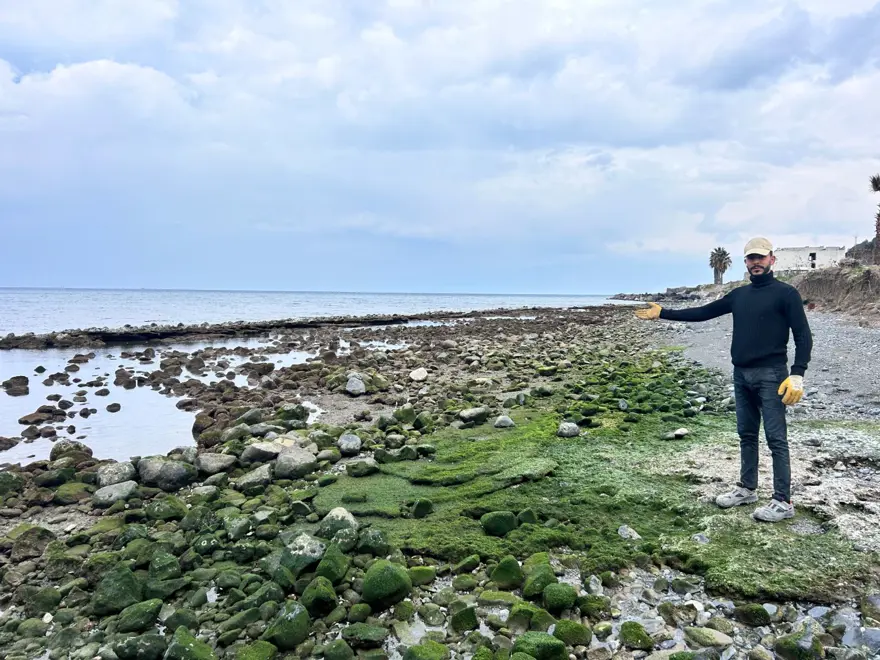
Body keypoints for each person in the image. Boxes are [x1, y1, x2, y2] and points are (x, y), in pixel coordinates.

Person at [634, 237, 813, 522]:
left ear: (772, 260)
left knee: (776, 438)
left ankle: (783, 501)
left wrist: (797, 374)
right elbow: (704, 312)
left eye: (761, 257)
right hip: (741, 374)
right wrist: (663, 313)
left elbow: (803, 336)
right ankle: (747, 488)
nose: (756, 262)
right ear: (745, 262)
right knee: (746, 434)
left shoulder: (786, 294)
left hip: (772, 376)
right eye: (751, 258)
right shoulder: (739, 296)